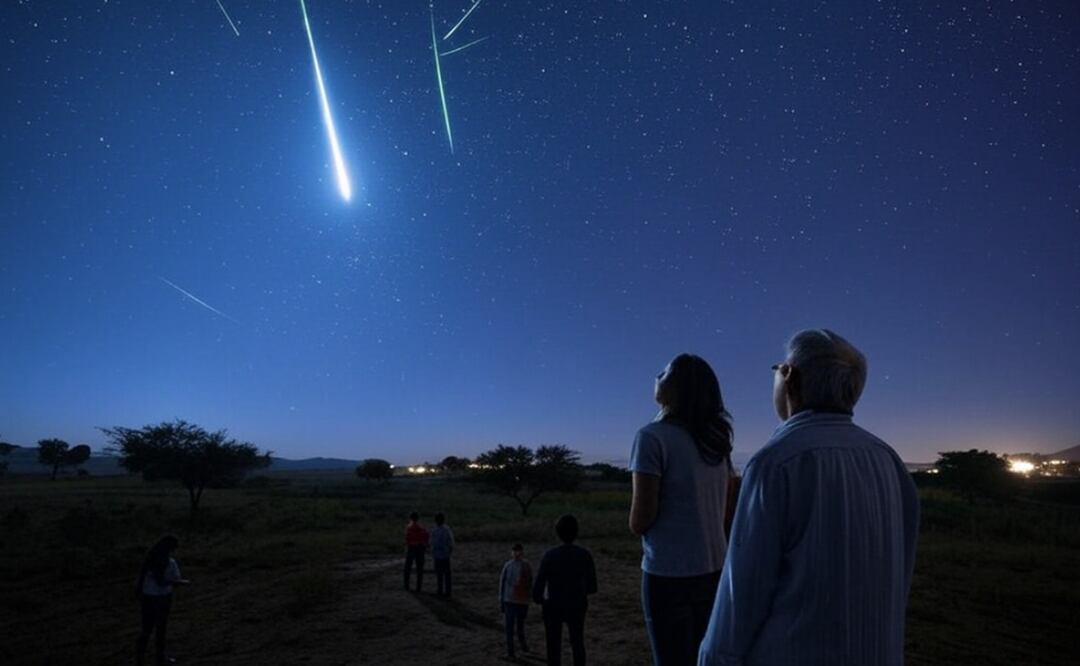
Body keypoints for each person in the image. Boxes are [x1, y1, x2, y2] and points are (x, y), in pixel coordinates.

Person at [698, 329, 920, 666]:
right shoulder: (888, 459)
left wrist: (715, 658)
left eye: (777, 368)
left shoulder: (776, 461)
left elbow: (743, 591)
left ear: (789, 376)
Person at [628, 354, 735, 666]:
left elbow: (640, 521)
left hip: (668, 573)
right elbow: (725, 512)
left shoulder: (651, 437)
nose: (657, 374)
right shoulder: (716, 441)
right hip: (714, 570)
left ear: (677, 388)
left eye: (665, 371)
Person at [532, 514, 597, 666]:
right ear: (576, 532)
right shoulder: (584, 555)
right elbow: (592, 587)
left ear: (557, 532)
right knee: (577, 642)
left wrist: (540, 599)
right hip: (576, 604)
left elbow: (539, 586)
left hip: (553, 605)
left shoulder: (549, 555)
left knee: (553, 645)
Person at [135, 535, 189, 666]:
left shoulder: (150, 560)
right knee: (161, 628)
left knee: (147, 629)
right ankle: (159, 657)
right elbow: (165, 581)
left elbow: (144, 580)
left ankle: (140, 658)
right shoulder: (169, 563)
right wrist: (180, 582)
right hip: (162, 597)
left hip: (149, 596)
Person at [499, 543, 533, 660]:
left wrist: (501, 601)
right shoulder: (525, 565)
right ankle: (522, 647)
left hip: (512, 600)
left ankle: (512, 651)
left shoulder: (510, 565)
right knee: (518, 626)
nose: (517, 554)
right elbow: (530, 584)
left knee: (512, 627)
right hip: (519, 600)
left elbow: (502, 585)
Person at [430, 512, 455, 598]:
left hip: (437, 555)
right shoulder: (447, 530)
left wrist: (433, 552)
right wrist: (450, 552)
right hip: (445, 555)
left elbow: (432, 543)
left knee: (439, 574)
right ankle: (447, 591)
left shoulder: (434, 530)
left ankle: (439, 590)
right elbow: (451, 543)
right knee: (447, 575)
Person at [403, 511, 429, 592]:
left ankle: (406, 586)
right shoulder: (422, 528)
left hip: (411, 548)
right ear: (418, 518)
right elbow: (426, 537)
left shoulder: (409, 527)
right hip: (420, 548)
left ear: (411, 518)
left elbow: (407, 539)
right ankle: (419, 587)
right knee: (419, 569)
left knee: (407, 568)